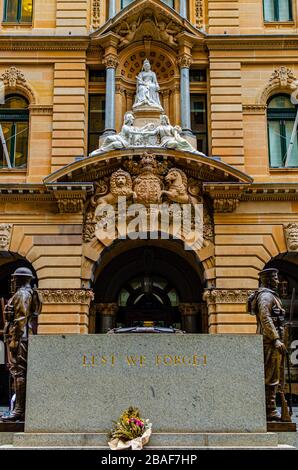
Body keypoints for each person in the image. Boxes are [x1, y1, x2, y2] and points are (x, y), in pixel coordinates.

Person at [1, 267, 40, 422]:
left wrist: (15, 340)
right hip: (23, 336)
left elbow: (21, 319)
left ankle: (18, 411)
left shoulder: (22, 293)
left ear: (19, 279)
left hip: (21, 338)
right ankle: (19, 409)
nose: (12, 281)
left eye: (14, 278)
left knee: (19, 372)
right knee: (19, 372)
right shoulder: (29, 293)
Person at [248, 268, 287, 421]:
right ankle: (270, 409)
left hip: (272, 341)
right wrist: (276, 339)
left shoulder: (269, 295)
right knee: (271, 375)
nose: (278, 281)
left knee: (275, 374)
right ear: (269, 280)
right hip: (269, 341)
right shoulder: (266, 296)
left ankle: (270, 408)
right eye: (275, 278)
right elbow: (265, 318)